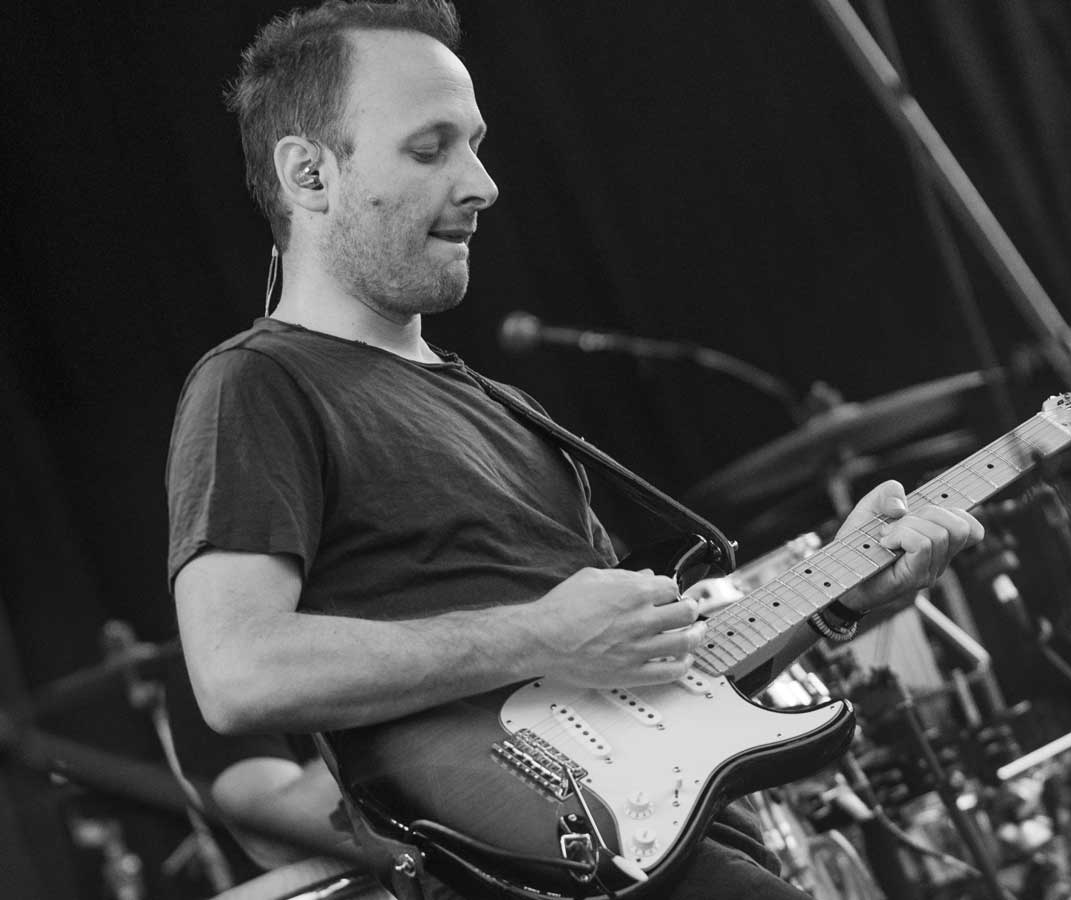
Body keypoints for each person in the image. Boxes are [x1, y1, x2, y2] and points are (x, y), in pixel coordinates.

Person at [164, 2, 984, 899]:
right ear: (310, 175)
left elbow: (645, 683)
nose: (483, 183)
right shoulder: (256, 384)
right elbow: (239, 673)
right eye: (431, 147)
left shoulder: (507, 411)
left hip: (677, 850)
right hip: (536, 868)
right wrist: (542, 632)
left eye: (475, 143)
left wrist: (834, 600)